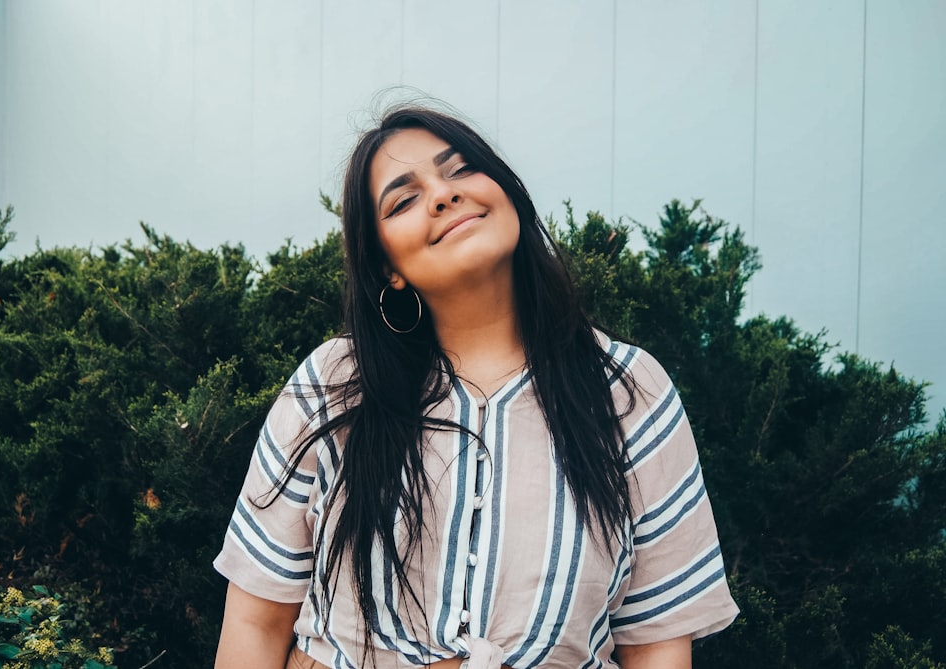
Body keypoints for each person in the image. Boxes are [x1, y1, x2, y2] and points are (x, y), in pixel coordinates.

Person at [213, 104, 738, 669]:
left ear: (505, 192)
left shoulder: (629, 393)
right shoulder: (333, 386)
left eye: (461, 169)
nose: (442, 195)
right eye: (404, 199)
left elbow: (657, 647)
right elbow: (256, 623)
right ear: (387, 267)